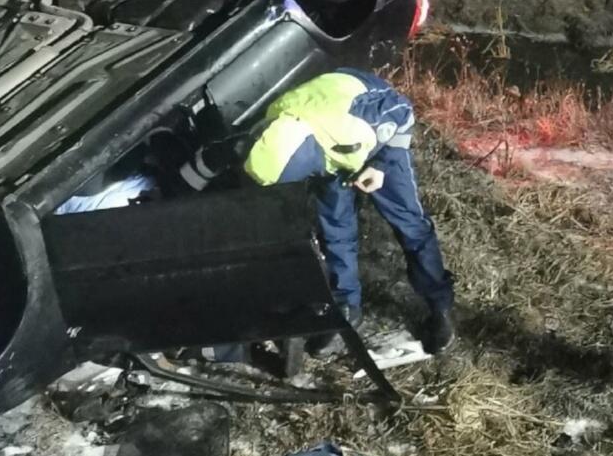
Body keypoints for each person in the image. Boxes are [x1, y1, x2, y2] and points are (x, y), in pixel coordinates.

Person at [186, 67, 456, 355]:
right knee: (335, 226)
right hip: (320, 141)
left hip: (369, 137)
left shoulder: (358, 121)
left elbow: (403, 112)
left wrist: (380, 165)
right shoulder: (268, 131)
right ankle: (346, 308)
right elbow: (212, 159)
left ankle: (440, 306)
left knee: (408, 222)